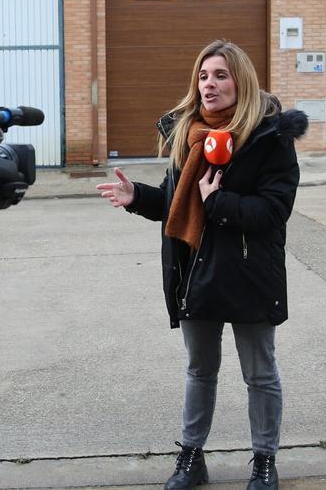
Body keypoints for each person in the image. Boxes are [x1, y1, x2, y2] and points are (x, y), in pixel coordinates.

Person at [97, 39, 307, 490]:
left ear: (241, 81)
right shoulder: (187, 133)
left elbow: (273, 213)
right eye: (203, 75)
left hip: (250, 273)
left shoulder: (270, 138)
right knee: (199, 370)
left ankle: (264, 461)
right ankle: (192, 457)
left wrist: (220, 202)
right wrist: (139, 198)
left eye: (220, 75)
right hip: (193, 271)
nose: (209, 85)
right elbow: (176, 204)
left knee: (259, 372)